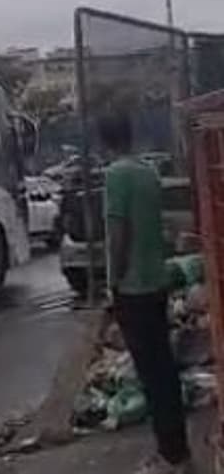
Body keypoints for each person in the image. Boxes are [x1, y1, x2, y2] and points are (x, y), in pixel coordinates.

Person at [99, 111, 192, 474]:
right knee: (164, 370)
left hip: (133, 287)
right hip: (157, 281)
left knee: (151, 376)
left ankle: (170, 456)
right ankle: (177, 450)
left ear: (105, 141)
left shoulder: (116, 175)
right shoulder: (148, 172)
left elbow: (118, 234)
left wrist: (114, 281)